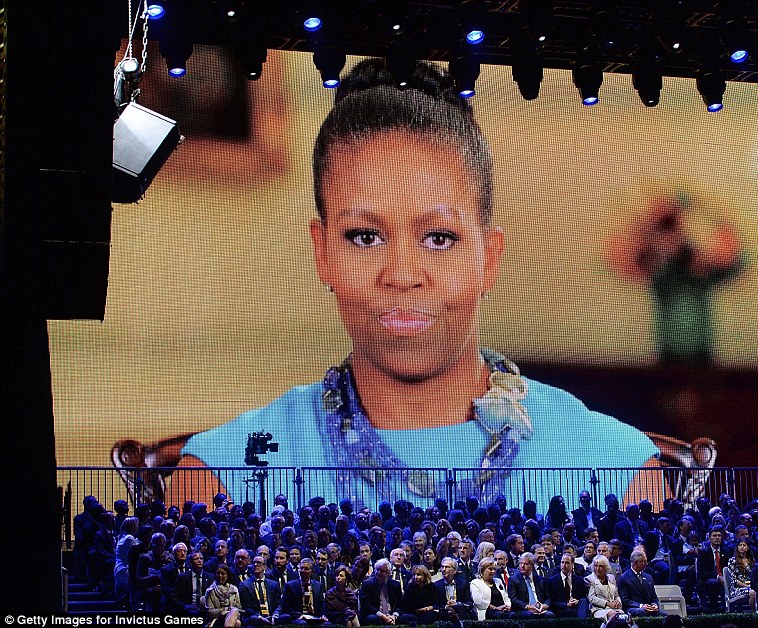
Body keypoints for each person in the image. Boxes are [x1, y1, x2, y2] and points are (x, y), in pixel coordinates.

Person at [167, 57, 659, 509]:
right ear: (323, 254)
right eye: (364, 236)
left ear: (489, 258)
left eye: (440, 238)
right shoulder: (221, 478)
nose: (402, 275)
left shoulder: (618, 472)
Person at [726, 539, 756, 610]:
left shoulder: (752, 560)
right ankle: (754, 613)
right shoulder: (732, 561)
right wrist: (747, 586)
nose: (742, 547)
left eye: (744, 545)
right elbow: (734, 580)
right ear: (737, 548)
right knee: (753, 592)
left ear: (748, 547)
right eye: (740, 545)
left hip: (751, 586)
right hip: (736, 589)